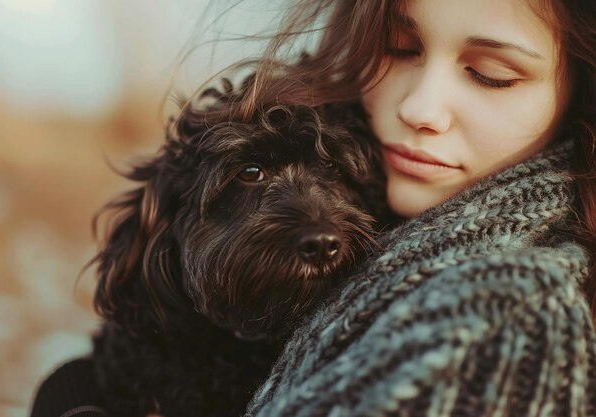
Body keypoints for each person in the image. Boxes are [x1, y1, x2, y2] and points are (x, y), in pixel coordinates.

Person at [30, 0, 595, 416]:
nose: (420, 108)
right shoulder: (404, 229)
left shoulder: (508, 319)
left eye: (490, 74)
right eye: (399, 48)